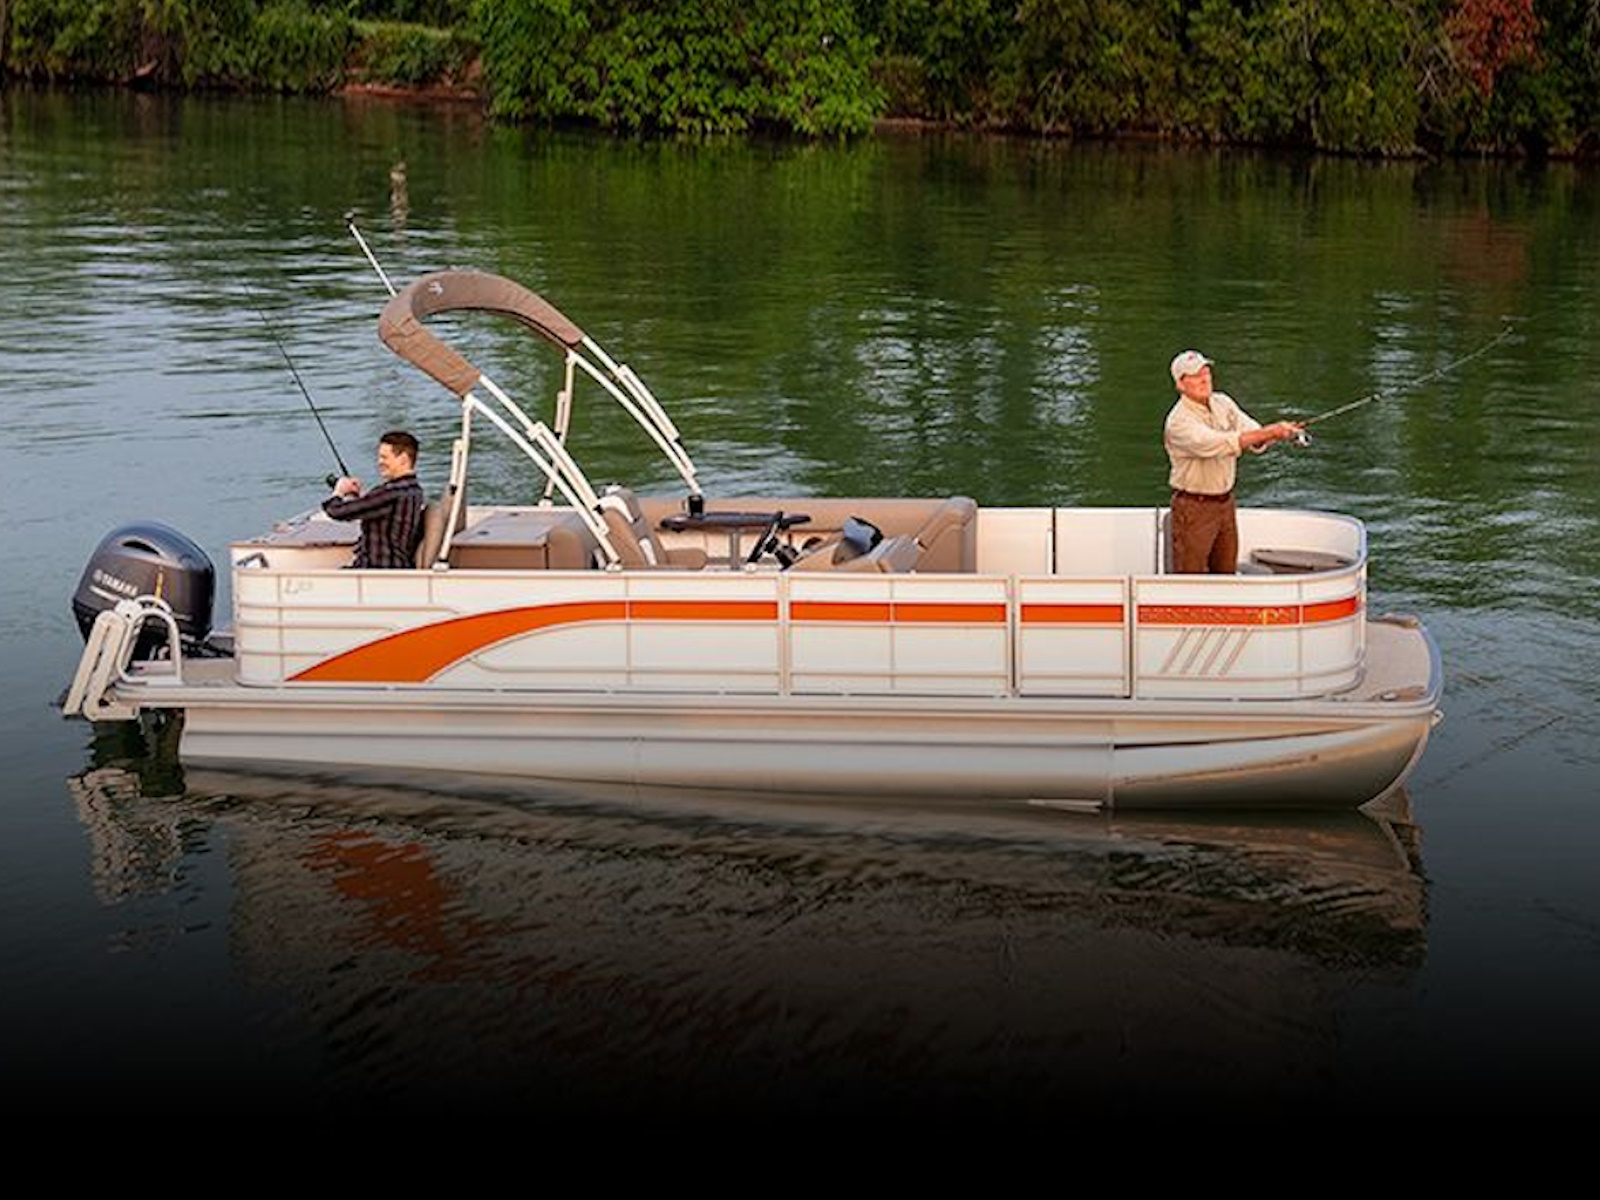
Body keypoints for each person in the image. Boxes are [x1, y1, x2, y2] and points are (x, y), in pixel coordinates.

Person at [1163, 350, 1302, 574]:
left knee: (1226, 572)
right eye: (1195, 375)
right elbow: (1223, 443)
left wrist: (1276, 434)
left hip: (1226, 505)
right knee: (1190, 577)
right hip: (1194, 509)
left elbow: (1251, 431)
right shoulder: (1178, 423)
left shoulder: (1223, 403)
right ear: (1180, 384)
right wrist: (1270, 432)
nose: (1204, 379)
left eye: (1206, 372)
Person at [322, 429, 425, 569]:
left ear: (403, 459)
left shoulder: (391, 493)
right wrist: (359, 497)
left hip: (377, 569)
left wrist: (339, 492)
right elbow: (382, 510)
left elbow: (336, 511)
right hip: (397, 565)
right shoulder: (414, 489)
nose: (379, 462)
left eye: (384, 457)